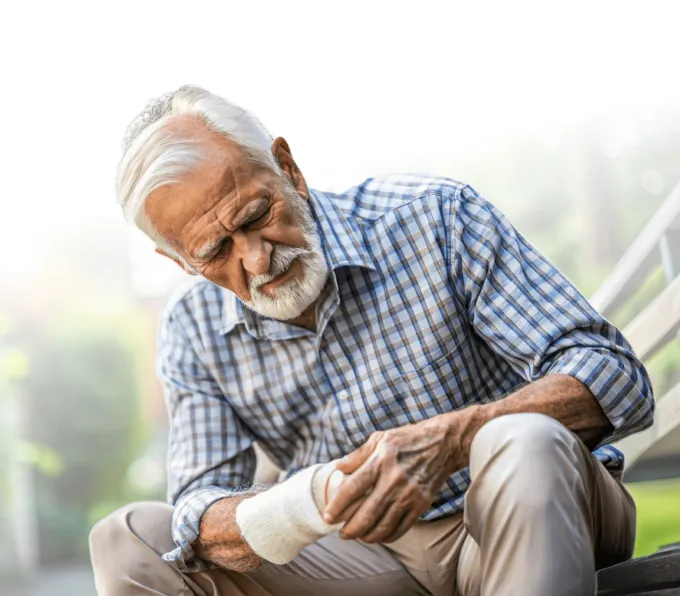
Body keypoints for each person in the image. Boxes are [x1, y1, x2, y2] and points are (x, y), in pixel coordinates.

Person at [89, 85, 654, 596]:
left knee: (525, 439)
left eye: (258, 214)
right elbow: (198, 511)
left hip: (528, 504)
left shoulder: (436, 216)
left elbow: (615, 376)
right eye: (215, 252)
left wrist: (452, 440)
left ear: (288, 167)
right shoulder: (192, 328)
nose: (257, 258)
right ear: (180, 261)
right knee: (128, 539)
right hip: (366, 556)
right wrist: (312, 498)